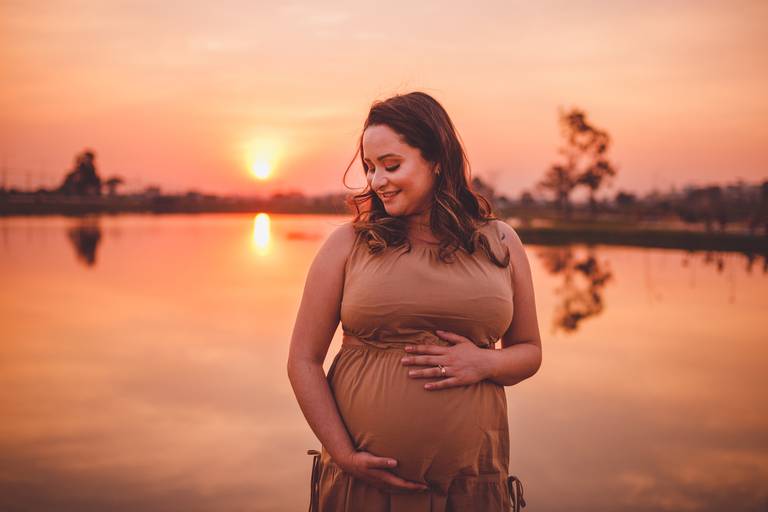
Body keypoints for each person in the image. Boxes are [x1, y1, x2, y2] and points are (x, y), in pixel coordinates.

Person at [287, 91, 542, 511]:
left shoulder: (500, 242)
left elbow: (529, 351)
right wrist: (345, 455)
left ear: (436, 159)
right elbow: (302, 360)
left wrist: (484, 363)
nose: (376, 181)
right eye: (370, 167)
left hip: (471, 486)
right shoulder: (348, 244)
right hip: (361, 488)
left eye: (391, 165)